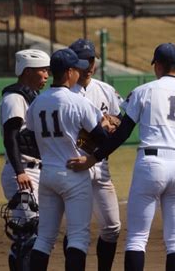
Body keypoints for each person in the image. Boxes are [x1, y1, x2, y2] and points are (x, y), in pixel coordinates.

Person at [66, 43, 175, 271]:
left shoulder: (144, 90)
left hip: (150, 164)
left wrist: (94, 158)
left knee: (137, 239)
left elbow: (121, 134)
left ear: (157, 66)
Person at [27, 48, 111, 271]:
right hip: (74, 173)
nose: (80, 72)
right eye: (77, 69)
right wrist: (102, 132)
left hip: (48, 174)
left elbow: (31, 134)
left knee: (44, 238)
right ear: (69, 72)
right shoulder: (77, 102)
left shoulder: (38, 102)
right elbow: (103, 139)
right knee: (78, 238)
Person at [68, 38, 122, 271]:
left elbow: (120, 119)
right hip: (74, 166)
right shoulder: (66, 91)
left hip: (101, 167)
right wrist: (92, 130)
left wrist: (112, 123)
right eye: (84, 61)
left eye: (92, 60)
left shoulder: (105, 89)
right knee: (76, 230)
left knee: (112, 227)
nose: (89, 66)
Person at [0, 49, 50, 270]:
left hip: (35, 171)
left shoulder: (32, 97)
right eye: (43, 70)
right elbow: (11, 137)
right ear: (28, 72)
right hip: (22, 172)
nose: (47, 75)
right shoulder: (14, 98)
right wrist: (20, 171)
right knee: (30, 234)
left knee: (31, 234)